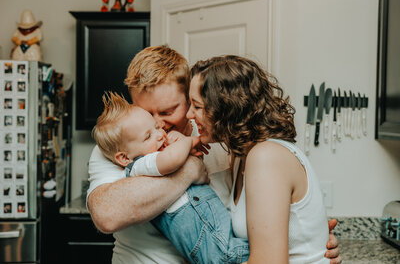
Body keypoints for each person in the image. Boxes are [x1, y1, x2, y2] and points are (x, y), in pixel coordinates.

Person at [87, 45, 342, 264]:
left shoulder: (222, 140)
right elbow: (107, 216)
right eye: (145, 113)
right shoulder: (121, 145)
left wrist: (309, 245)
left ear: (189, 99)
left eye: (167, 111)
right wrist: (190, 170)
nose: (158, 125)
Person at [188, 55, 334, 263]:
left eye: (197, 106)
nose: (188, 114)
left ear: (226, 108)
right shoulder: (241, 157)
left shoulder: (266, 156)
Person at [92, 92, 249, 263]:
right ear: (123, 158)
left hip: (215, 234)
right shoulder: (137, 159)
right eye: (148, 136)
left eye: (167, 112)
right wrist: (189, 146)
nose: (160, 130)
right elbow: (170, 160)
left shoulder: (214, 133)